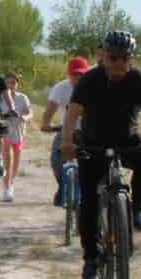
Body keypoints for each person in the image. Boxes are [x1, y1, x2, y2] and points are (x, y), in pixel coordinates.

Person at [60, 31, 141, 279]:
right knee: (88, 201)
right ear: (104, 56)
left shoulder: (139, 79)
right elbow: (72, 114)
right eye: (113, 58)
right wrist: (67, 143)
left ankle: (137, 208)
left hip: (127, 140)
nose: (118, 63)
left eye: (124, 58)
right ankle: (91, 258)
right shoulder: (90, 80)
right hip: (93, 142)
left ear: (131, 58)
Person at [40, 55, 91, 206]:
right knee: (57, 158)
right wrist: (46, 123)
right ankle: (63, 186)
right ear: (68, 74)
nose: (78, 77)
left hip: (89, 132)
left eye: (81, 74)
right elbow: (50, 108)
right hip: (67, 130)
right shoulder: (61, 88)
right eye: (75, 74)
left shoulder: (93, 87)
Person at [0, 71, 32, 203]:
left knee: (16, 161)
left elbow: (30, 113)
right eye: (8, 83)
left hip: (19, 132)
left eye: (13, 83)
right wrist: (3, 116)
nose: (11, 85)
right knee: (8, 158)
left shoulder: (22, 98)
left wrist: (24, 117)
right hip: (5, 131)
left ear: (17, 84)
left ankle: (11, 183)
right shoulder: (0, 97)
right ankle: (7, 188)